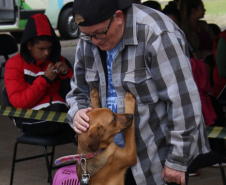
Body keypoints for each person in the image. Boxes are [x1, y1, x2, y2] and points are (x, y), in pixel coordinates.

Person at [66, 0, 210, 185]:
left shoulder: (157, 33)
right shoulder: (89, 36)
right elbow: (78, 92)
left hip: (154, 160)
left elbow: (183, 102)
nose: (94, 41)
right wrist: (77, 111)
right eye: (87, 35)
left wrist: (177, 161)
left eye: (99, 33)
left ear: (118, 17)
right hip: (107, 162)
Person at [4, 14, 75, 139]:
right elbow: (19, 102)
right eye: (41, 49)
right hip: (30, 119)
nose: (46, 53)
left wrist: (66, 75)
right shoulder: (14, 64)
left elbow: (74, 95)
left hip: (59, 114)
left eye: (49, 48)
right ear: (29, 45)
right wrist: (45, 80)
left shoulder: (59, 61)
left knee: (85, 121)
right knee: (77, 124)